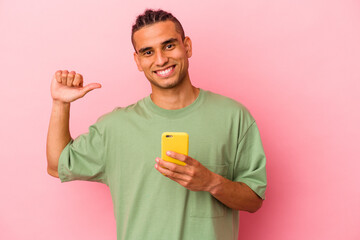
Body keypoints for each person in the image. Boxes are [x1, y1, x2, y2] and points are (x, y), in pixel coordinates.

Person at [46, 9, 267, 240]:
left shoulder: (233, 116)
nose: (161, 60)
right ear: (138, 61)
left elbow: (254, 200)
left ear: (187, 46)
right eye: (148, 52)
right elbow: (56, 165)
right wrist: (60, 103)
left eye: (169, 46)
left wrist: (212, 183)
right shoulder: (115, 127)